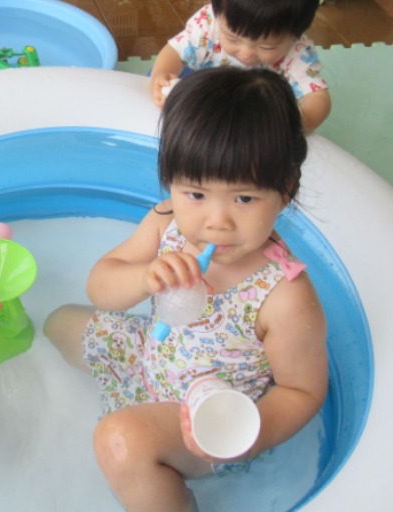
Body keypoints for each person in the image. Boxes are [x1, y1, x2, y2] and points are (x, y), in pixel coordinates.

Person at [44, 67, 328, 512]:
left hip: (209, 420)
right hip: (149, 360)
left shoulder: (284, 296)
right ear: (171, 182)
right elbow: (101, 286)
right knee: (58, 322)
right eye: (196, 194)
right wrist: (144, 277)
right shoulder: (165, 223)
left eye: (245, 198)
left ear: (285, 191)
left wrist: (242, 435)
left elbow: (302, 392)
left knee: (119, 441)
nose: (217, 221)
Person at [149, 0, 331, 133]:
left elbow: (319, 98)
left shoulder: (299, 52)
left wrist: (286, 124)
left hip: (253, 108)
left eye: (266, 47)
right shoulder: (209, 22)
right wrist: (162, 75)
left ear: (295, 36)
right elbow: (175, 51)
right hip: (205, 85)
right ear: (217, 12)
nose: (246, 54)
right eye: (232, 39)